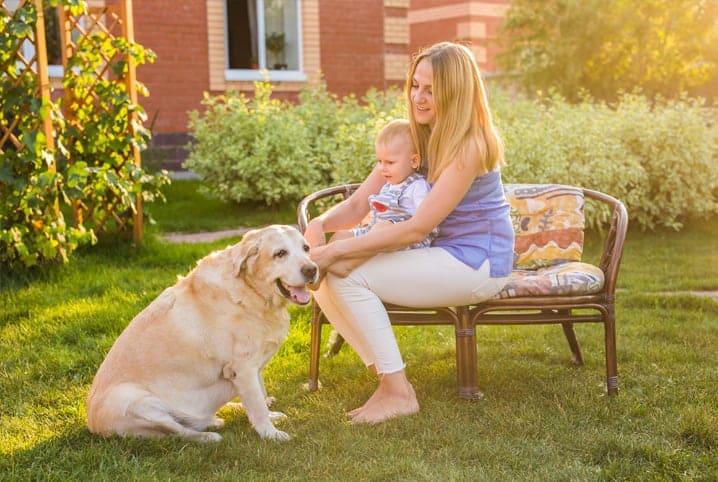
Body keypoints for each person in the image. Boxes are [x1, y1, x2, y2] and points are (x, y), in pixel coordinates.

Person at [304, 41, 515, 424]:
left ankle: (397, 391)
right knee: (333, 276)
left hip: (476, 262)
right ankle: (389, 381)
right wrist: (319, 225)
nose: (418, 96)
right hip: (437, 252)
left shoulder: (470, 144)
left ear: (455, 91)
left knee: (348, 274)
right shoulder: (416, 136)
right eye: (415, 85)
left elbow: (417, 227)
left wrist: (337, 253)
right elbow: (358, 205)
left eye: (430, 89)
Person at [330, 118, 436, 251]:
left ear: (414, 161)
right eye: (379, 161)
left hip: (404, 242)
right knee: (340, 235)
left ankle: (349, 260)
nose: (382, 168)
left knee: (382, 228)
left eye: (390, 162)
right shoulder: (388, 184)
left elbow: (424, 223)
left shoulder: (417, 186)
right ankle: (323, 263)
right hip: (374, 234)